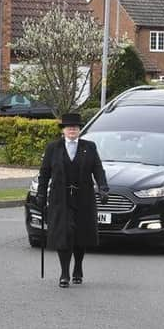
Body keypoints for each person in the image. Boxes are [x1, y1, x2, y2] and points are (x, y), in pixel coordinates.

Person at [36, 113, 109, 288]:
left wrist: (103, 188)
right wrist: (41, 194)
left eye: (75, 128)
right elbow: (44, 174)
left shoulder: (89, 147)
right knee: (64, 234)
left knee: (80, 234)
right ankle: (64, 273)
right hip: (60, 198)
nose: (72, 130)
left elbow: (98, 170)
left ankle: (78, 267)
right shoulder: (53, 148)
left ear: (79, 130)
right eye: (69, 128)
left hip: (83, 197)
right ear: (63, 130)